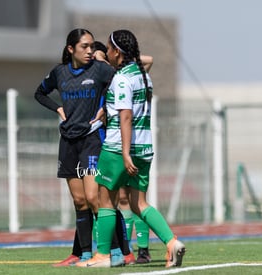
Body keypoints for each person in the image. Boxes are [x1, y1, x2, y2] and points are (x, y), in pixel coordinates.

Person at [76, 29, 186, 268]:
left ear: (117, 51)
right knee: (139, 204)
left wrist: (125, 153)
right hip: (144, 148)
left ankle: (102, 255)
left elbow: (126, 117)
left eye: (108, 47)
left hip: (119, 149)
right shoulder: (143, 77)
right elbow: (130, 109)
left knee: (105, 200)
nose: (106, 52)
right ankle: (171, 242)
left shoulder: (122, 78)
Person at [34, 29, 127, 267]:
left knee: (94, 197)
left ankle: (114, 252)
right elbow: (40, 93)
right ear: (70, 49)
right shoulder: (59, 72)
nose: (89, 51)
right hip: (68, 142)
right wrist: (57, 109)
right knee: (79, 201)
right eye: (84, 47)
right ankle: (85, 253)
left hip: (91, 140)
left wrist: (106, 107)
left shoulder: (100, 69)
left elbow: (120, 81)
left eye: (90, 46)